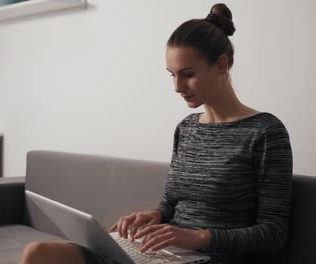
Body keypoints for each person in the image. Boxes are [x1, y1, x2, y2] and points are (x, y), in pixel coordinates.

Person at [19, 3, 293, 264]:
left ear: (221, 65)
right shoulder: (187, 128)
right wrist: (154, 215)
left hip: (212, 257)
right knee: (38, 253)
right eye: (171, 75)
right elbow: (172, 202)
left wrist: (196, 237)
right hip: (165, 252)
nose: (177, 86)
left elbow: (273, 234)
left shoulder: (265, 132)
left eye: (187, 74)